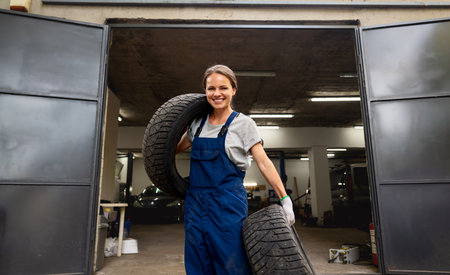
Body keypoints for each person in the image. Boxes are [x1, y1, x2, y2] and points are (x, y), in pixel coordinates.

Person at [176, 64, 295, 275]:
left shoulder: (243, 124)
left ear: (233, 90)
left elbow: (264, 162)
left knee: (231, 264)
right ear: (205, 91)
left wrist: (284, 198)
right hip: (195, 204)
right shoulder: (197, 124)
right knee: (197, 263)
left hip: (227, 204)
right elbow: (173, 149)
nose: (217, 94)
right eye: (211, 88)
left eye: (223, 88)